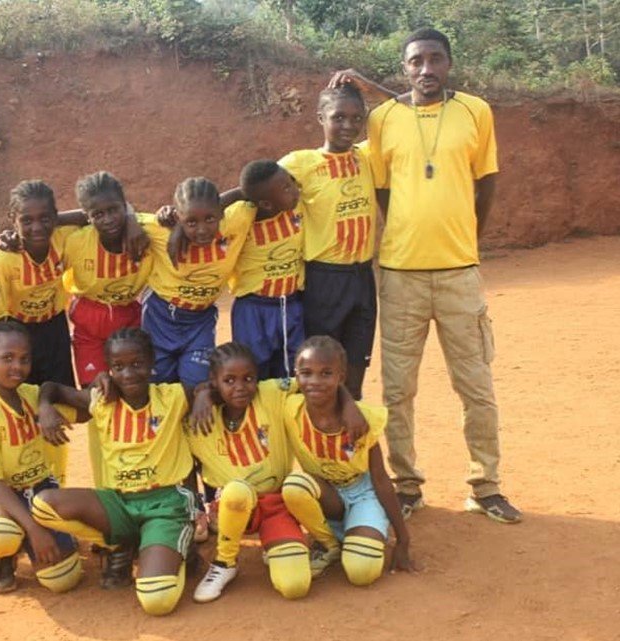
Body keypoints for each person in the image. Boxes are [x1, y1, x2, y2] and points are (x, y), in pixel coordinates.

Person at [334, 28, 522, 523]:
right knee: (399, 389)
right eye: (416, 61)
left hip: (460, 273)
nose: (426, 69)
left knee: (475, 385)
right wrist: (408, 229)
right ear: (404, 68)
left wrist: (466, 237)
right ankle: (407, 484)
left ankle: (485, 486)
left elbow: (488, 182)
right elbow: (382, 189)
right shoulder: (381, 118)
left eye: (435, 59)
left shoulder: (475, 112)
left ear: (449, 63)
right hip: (400, 275)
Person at [186, 342, 369, 603]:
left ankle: (310, 545)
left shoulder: (271, 394)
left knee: (295, 586)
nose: (240, 387)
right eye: (229, 380)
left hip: (277, 505)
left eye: (248, 379)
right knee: (237, 491)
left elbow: (314, 385)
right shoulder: (200, 417)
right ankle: (224, 562)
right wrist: (202, 394)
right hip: (234, 508)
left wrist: (349, 402)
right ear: (214, 381)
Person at [32, 328, 196, 616]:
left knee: (157, 599)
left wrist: (205, 396)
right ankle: (120, 542)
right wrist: (44, 406)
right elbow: (51, 388)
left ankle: (179, 550)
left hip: (165, 504)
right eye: (118, 367)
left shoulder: (173, 396)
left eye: (137, 364)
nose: (129, 374)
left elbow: (214, 389)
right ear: (108, 370)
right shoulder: (101, 401)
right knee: (44, 504)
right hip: (119, 504)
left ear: (152, 362)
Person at [0, 321, 83, 594]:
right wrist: (34, 529)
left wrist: (49, 398)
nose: (17, 367)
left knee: (63, 578)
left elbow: (85, 411)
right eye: (7, 358)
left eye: (24, 359)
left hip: (38, 491)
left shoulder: (34, 396)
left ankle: (30, 539)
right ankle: (1, 560)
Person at [281, 336, 413, 586]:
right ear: (296, 376)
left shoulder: (363, 419)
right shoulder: (289, 408)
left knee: (361, 572)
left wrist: (403, 539)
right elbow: (248, 386)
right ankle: (328, 543)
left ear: (341, 377)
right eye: (306, 373)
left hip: (362, 493)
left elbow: (381, 480)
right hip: (326, 496)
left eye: (326, 373)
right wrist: (203, 393)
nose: (315, 382)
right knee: (294, 485)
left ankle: (358, 531)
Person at [279, 84, 380, 399]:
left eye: (356, 118)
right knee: (321, 374)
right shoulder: (302, 162)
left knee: (354, 374)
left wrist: (361, 80)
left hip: (363, 278)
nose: (348, 126)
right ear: (320, 117)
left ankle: (351, 446)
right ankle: (315, 444)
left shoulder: (367, 156)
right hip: (324, 280)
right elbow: (252, 184)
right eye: (338, 117)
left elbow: (407, 107)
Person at [138, 177, 255, 388]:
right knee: (158, 385)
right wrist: (170, 224)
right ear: (177, 216)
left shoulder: (235, 220)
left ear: (221, 213)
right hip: (160, 316)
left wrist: (227, 198)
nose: (202, 230)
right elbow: (123, 214)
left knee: (198, 385)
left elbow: (255, 188)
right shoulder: (159, 229)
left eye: (210, 219)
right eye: (191, 222)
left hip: (200, 320)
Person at [63, 171, 153, 387]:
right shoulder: (74, 242)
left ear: (125, 204)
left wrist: (132, 217)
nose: (108, 219)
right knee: (95, 391)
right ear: (87, 216)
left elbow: (182, 218)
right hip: (89, 324)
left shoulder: (146, 232)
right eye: (98, 214)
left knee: (136, 385)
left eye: (114, 210)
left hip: (129, 318)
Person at [0, 180, 77, 387]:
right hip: (18, 330)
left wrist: (57, 220)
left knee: (60, 393)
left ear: (55, 216)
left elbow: (91, 214)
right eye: (26, 221)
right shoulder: (5, 260)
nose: (37, 228)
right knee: (24, 392)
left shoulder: (65, 238)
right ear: (13, 220)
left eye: (44, 218)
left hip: (55, 326)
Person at [227, 161, 305, 379]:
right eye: (286, 188)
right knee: (252, 370)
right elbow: (209, 210)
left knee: (293, 369)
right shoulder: (241, 218)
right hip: (253, 308)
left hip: (291, 304)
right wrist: (240, 194)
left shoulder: (297, 207)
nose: (294, 189)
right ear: (266, 204)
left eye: (291, 181)